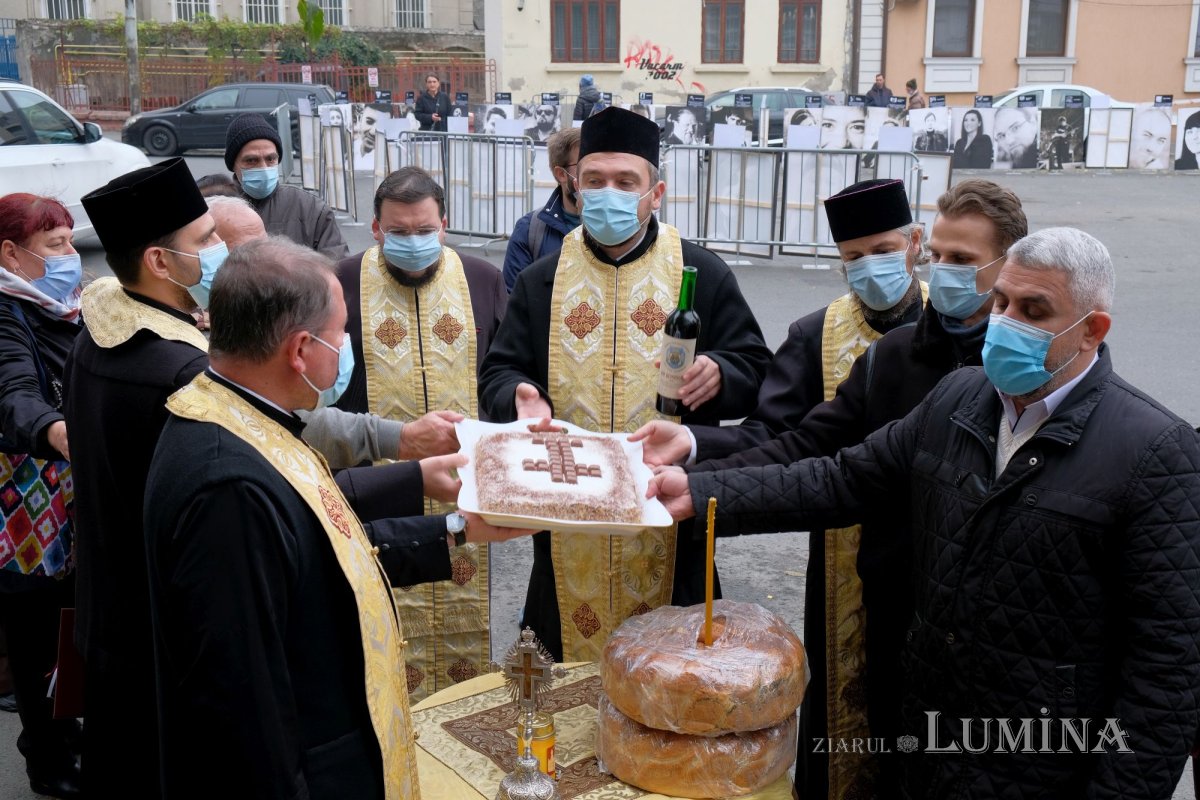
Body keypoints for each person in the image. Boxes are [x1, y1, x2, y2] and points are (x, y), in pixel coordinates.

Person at [652, 226, 1200, 799]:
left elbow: (1166, 674)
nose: (1008, 322)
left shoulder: (1155, 452)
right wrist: (702, 491)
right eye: (1004, 302)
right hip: (931, 748)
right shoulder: (960, 398)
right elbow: (843, 478)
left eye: (1035, 310)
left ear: (1092, 330)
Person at [64, 158, 450, 796]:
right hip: (172, 629)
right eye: (206, 239)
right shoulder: (187, 388)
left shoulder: (107, 321)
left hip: (126, 606)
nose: (222, 251)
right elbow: (291, 498)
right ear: (159, 262)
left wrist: (450, 521)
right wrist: (410, 461)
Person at [635, 179, 1027, 800]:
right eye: (852, 257)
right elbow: (808, 452)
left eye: (964, 261)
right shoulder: (890, 355)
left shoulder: (1031, 364)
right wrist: (697, 471)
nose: (946, 272)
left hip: (999, 626)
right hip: (892, 597)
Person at [143, 236, 535, 799]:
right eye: (341, 334)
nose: (346, 346)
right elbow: (243, 710)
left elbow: (321, 552)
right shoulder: (227, 485)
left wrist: (459, 529)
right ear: (300, 350)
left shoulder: (249, 417)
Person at [478, 106, 773, 662]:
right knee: (562, 690)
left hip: (669, 515)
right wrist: (516, 396)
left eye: (625, 182)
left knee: (674, 693)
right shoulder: (543, 279)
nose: (607, 192)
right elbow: (499, 370)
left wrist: (723, 373)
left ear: (655, 192)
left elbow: (757, 368)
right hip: (566, 517)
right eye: (594, 180)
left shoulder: (700, 272)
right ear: (574, 184)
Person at [332, 166, 507, 700]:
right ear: (376, 228)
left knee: (463, 599)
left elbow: (500, 371)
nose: (413, 240)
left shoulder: (482, 279)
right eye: (399, 231)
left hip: (464, 479)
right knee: (378, 615)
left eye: (423, 228)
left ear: (444, 224)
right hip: (377, 483)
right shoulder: (338, 281)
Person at [0, 194, 84, 799]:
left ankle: (63, 732)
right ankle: (45, 758)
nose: (71, 257)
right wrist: (57, 429)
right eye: (55, 246)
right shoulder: (7, 313)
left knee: (67, 625)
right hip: (25, 503)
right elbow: (15, 391)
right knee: (35, 636)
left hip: (68, 495)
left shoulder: (61, 306)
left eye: (70, 242)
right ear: (11, 254)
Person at [224, 113, 349, 259]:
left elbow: (338, 266)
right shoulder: (216, 210)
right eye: (251, 160)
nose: (263, 168)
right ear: (233, 164)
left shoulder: (311, 209)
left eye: (271, 159)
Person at [502, 127, 581, 292]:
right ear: (561, 174)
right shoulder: (529, 230)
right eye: (583, 166)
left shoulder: (618, 225)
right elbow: (514, 302)